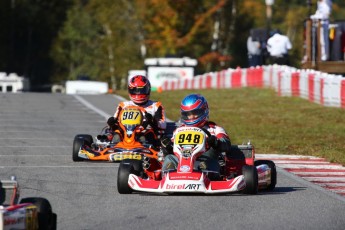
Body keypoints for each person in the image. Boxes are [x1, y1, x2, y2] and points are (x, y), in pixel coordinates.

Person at [161, 94, 232, 175]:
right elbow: (173, 151)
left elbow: (226, 144)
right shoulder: (179, 130)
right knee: (169, 158)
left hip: (205, 159)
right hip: (182, 161)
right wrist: (167, 146)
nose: (191, 117)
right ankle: (167, 178)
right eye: (188, 114)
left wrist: (215, 142)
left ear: (204, 111)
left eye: (195, 113)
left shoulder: (214, 129)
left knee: (207, 159)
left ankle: (205, 176)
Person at [106, 75, 167, 146]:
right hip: (126, 132)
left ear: (148, 89)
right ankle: (114, 146)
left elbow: (163, 126)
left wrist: (152, 120)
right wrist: (112, 123)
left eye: (142, 90)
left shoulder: (156, 105)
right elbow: (116, 122)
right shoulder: (123, 105)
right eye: (135, 90)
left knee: (147, 135)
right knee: (117, 133)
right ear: (130, 90)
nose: (139, 93)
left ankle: (144, 147)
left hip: (145, 132)